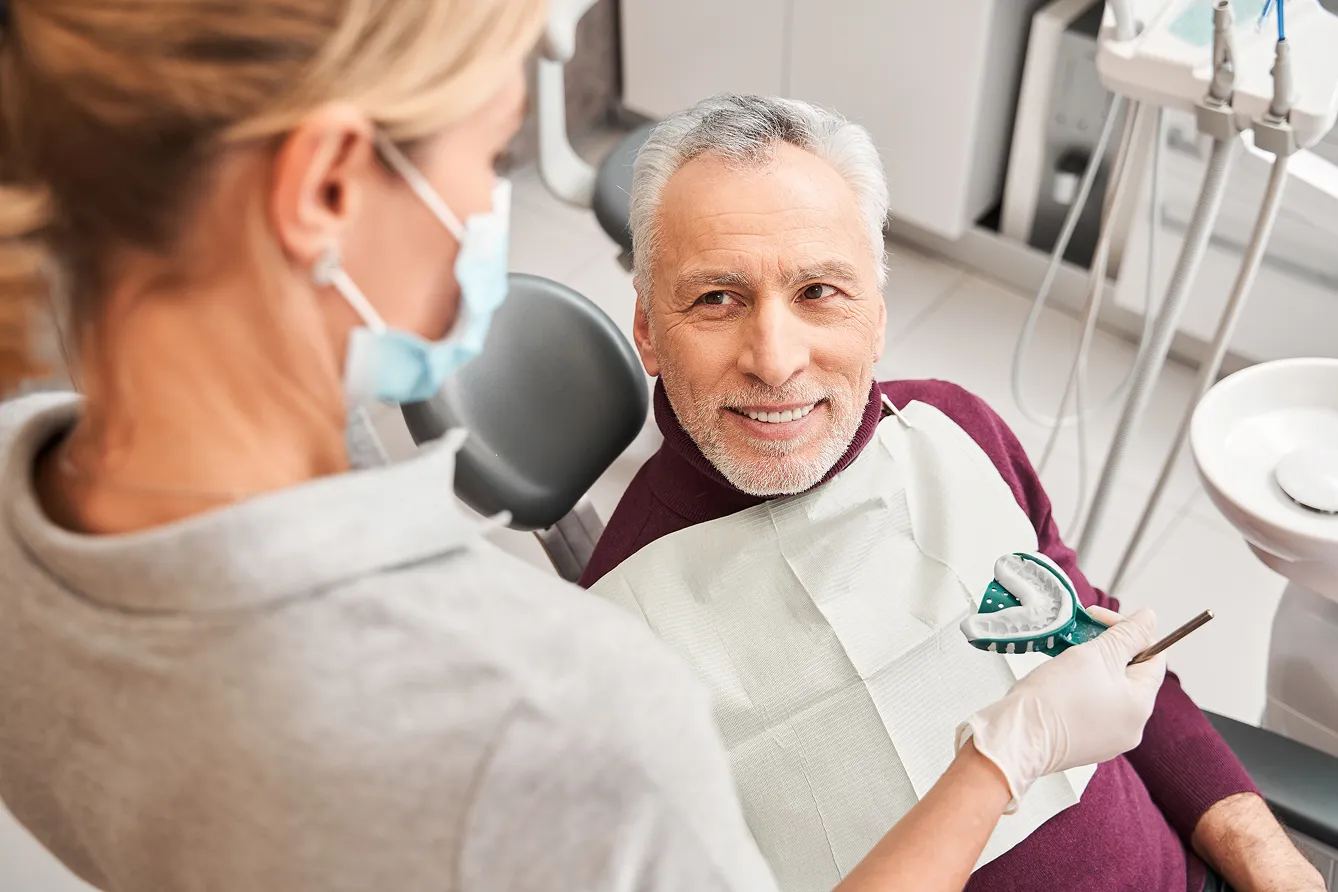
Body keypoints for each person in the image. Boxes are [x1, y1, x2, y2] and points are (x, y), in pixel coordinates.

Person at [0, 3, 1167, 891]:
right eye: (493, 150)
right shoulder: (567, 708)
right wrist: (1001, 762)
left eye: (821, 289)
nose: (776, 356)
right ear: (327, 187)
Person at [582, 94, 1327, 892]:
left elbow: (1102, 639)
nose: (775, 359)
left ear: (877, 312)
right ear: (650, 331)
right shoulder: (613, 644)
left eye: (819, 292)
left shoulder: (953, 427)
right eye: (716, 299)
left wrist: (1267, 855)